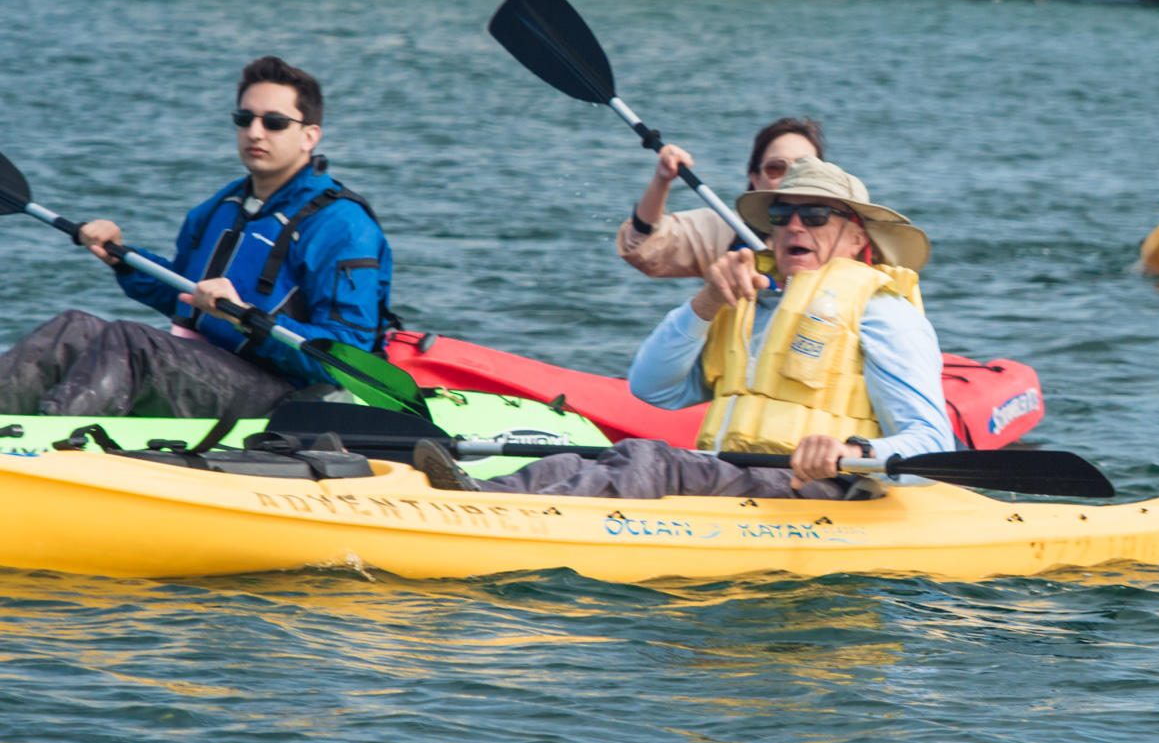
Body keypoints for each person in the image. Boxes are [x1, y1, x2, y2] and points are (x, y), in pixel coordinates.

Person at [417, 160, 947, 501]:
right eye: (783, 213)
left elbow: (931, 445)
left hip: (824, 490)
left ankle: (496, 512)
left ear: (857, 240)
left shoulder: (883, 311)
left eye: (814, 216)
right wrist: (706, 301)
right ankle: (473, 498)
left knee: (651, 458)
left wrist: (849, 448)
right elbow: (653, 388)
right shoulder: (746, 297)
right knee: (593, 454)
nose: (793, 227)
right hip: (740, 477)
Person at [0, 56, 392, 420]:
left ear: (309, 136)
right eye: (244, 118)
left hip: (286, 395)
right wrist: (121, 257)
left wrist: (246, 320)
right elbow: (182, 293)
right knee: (73, 327)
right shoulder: (219, 208)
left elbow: (349, 354)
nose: (255, 132)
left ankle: (44, 448)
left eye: (274, 122)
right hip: (205, 364)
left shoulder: (343, 227)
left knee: (131, 340)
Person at [619, 115, 826, 278]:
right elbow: (643, 247)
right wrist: (661, 180)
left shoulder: (843, 234)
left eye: (803, 167)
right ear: (755, 179)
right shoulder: (728, 228)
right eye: (775, 168)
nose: (790, 178)